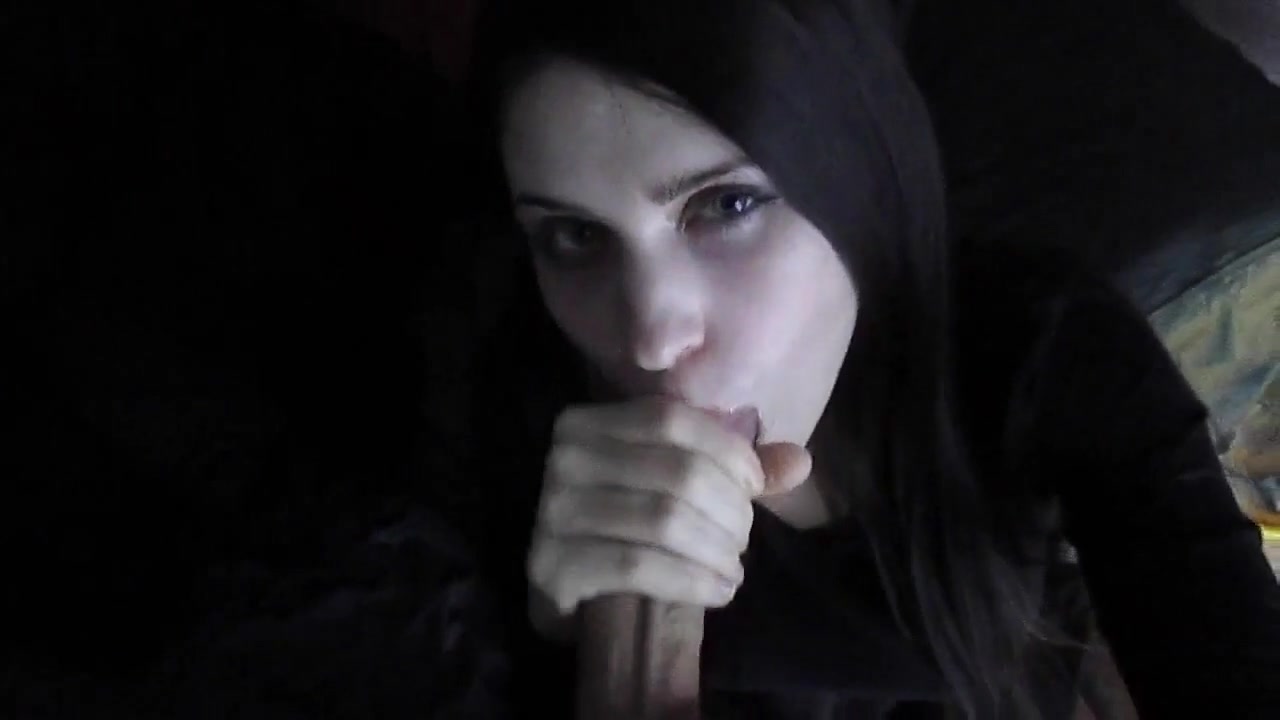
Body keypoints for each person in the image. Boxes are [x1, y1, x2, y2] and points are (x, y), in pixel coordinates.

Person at [453, 0, 1280, 718]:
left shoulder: (1037, 346)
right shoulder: (521, 416)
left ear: (860, 180)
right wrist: (597, 658)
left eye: (729, 204)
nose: (650, 338)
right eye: (575, 235)